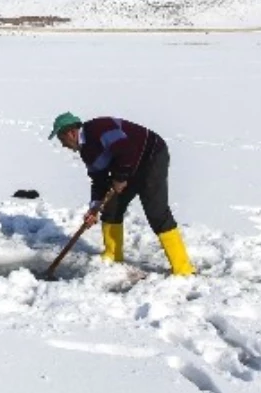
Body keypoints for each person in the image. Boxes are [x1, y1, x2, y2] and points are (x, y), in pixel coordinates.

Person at [48, 111, 195, 276]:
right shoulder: (86, 152)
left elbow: (127, 150)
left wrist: (120, 178)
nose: (63, 145)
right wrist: (95, 207)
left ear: (71, 133)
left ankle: (183, 269)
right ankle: (113, 256)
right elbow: (98, 179)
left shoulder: (100, 128)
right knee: (110, 207)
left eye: (61, 139)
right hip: (126, 168)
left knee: (156, 212)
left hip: (151, 156)